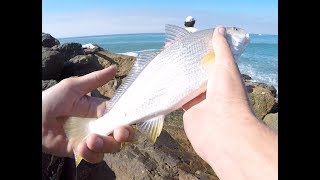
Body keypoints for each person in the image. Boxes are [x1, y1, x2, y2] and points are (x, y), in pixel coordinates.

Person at [42, 26, 278, 180]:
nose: (241, 32)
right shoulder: (214, 45)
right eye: (235, 30)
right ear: (222, 38)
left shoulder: (204, 44)